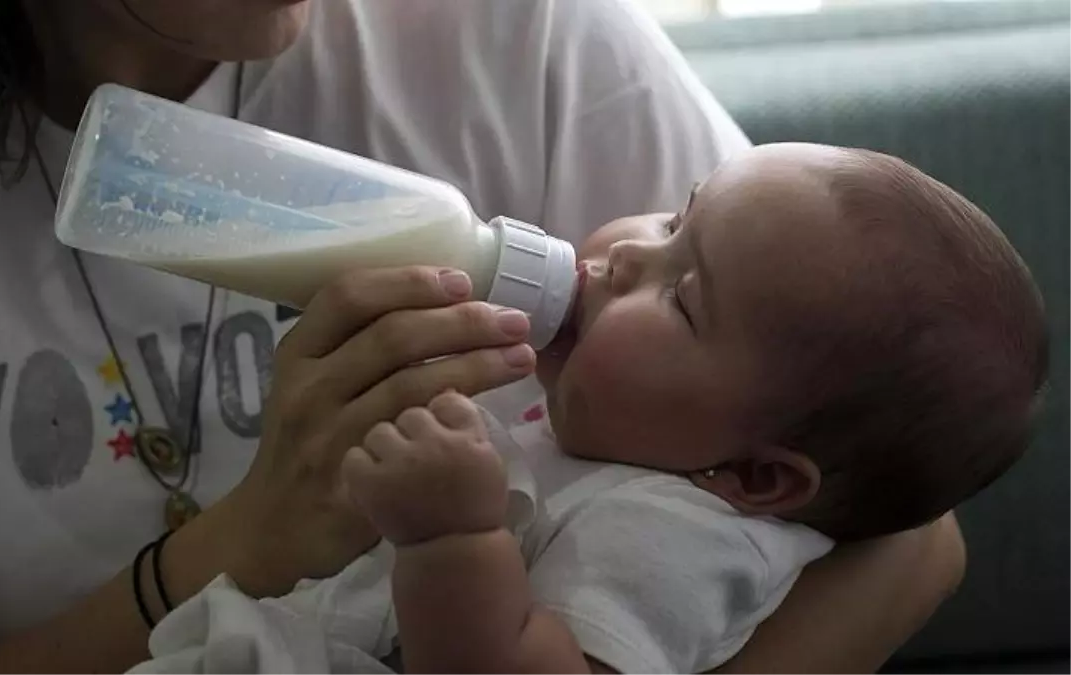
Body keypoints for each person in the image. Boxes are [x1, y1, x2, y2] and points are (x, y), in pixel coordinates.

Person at [0, 0, 966, 674]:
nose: (627, 254)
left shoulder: (520, 30)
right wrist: (235, 550)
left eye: (679, 273)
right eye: (669, 222)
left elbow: (901, 528)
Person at [124, 143, 1046, 675]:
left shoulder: (678, 535)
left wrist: (452, 537)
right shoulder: (615, 422)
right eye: (675, 219)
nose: (629, 256)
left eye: (684, 299)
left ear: (759, 475)